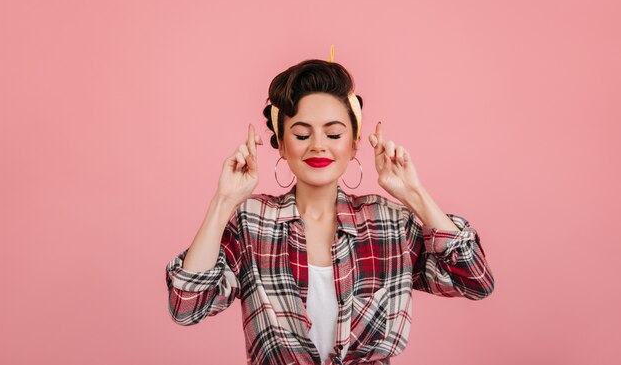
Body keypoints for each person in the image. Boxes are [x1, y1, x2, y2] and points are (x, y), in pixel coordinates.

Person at [165, 56, 494, 365]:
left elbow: (476, 280)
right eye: (302, 134)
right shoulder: (252, 221)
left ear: (354, 144)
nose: (318, 145)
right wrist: (223, 201)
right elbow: (186, 306)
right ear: (280, 143)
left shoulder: (391, 224)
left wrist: (413, 194)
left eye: (334, 133)